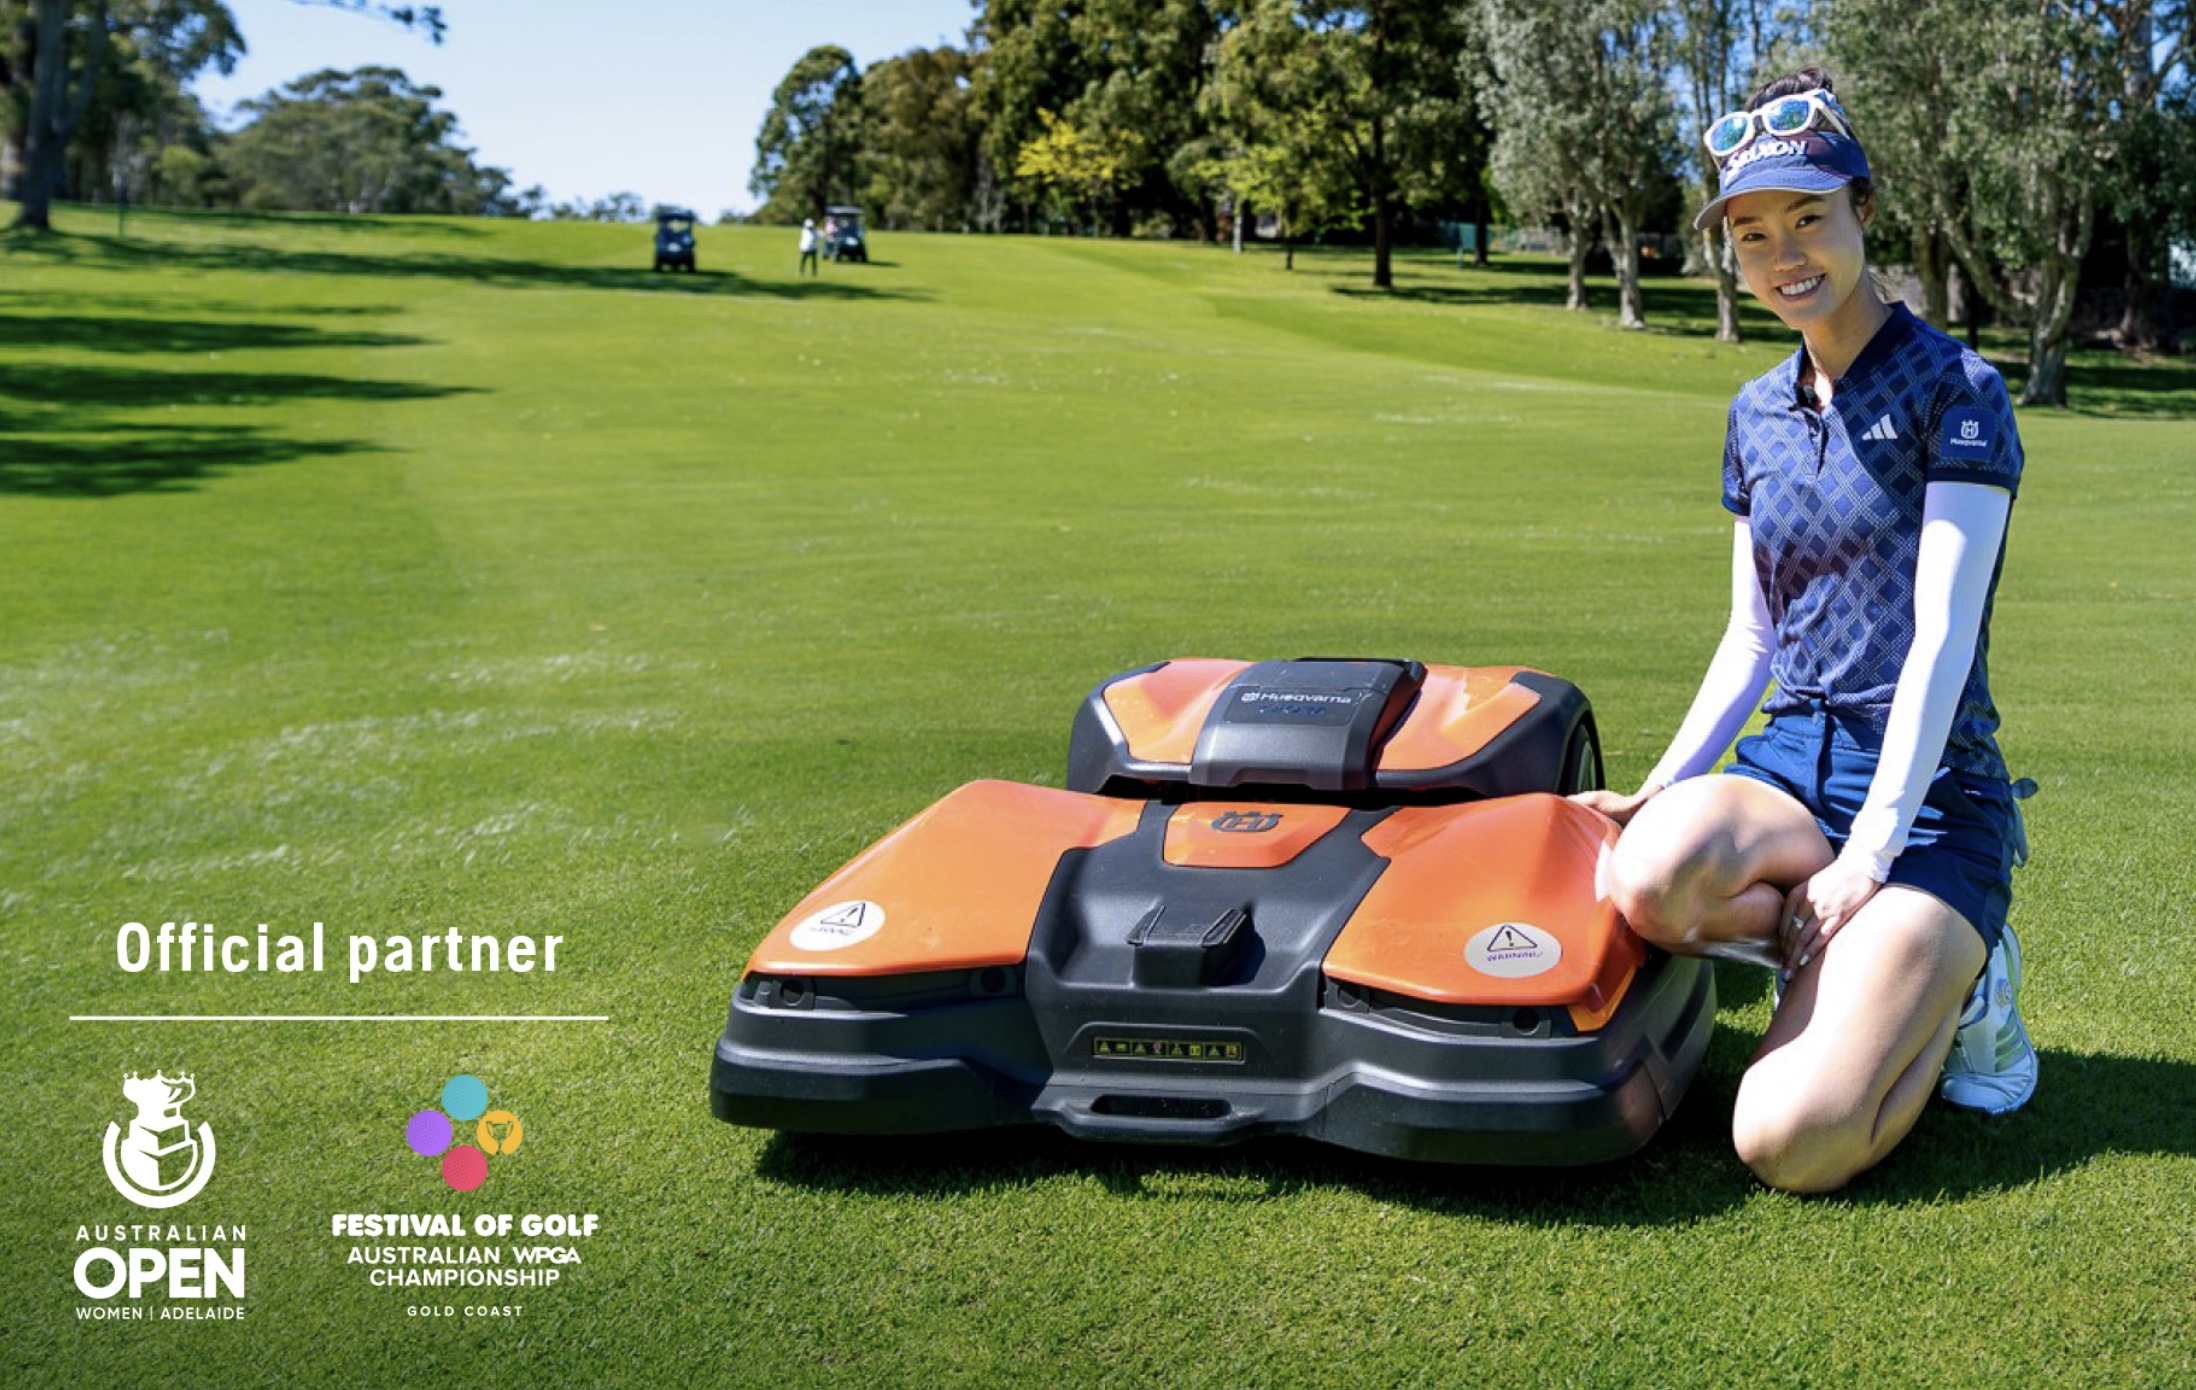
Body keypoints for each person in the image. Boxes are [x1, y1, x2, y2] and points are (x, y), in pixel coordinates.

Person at [1573, 68, 2037, 1194]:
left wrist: (1871, 857)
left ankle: (1969, 986)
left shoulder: (1957, 390)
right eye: (1750, 231)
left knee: (1786, 1139)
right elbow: (1753, 637)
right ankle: (1846, 946)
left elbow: (1938, 638)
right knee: (1648, 878)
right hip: (1793, 766)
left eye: (1808, 218)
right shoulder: (1754, 414)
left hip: (1930, 803)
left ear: (1862, 212)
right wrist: (1656, 783)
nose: (1783, 252)